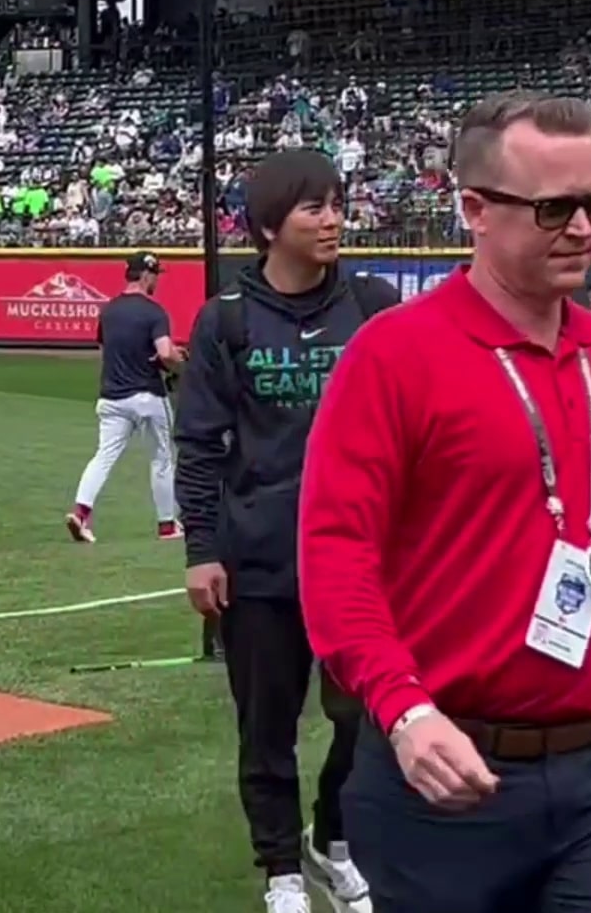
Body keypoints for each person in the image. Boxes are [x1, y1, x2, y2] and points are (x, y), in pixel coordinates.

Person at [297, 92, 591, 913]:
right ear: (474, 210)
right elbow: (336, 555)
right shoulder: (393, 355)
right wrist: (404, 710)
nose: (582, 228)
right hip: (441, 777)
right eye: (554, 208)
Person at [175, 149, 398, 913]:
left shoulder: (372, 305)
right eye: (314, 208)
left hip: (363, 562)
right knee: (266, 729)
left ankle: (332, 840)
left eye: (337, 204)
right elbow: (199, 445)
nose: (334, 220)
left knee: (369, 721)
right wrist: (201, 551)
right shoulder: (226, 320)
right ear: (269, 226)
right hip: (261, 560)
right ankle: (281, 872)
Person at [65, 250, 184, 544]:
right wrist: (180, 364)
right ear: (145, 275)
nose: (156, 281)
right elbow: (165, 353)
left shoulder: (109, 310)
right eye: (155, 275)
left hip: (112, 397)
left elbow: (105, 351)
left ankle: (80, 513)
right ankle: (167, 525)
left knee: (103, 456)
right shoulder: (153, 312)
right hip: (147, 396)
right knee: (161, 459)